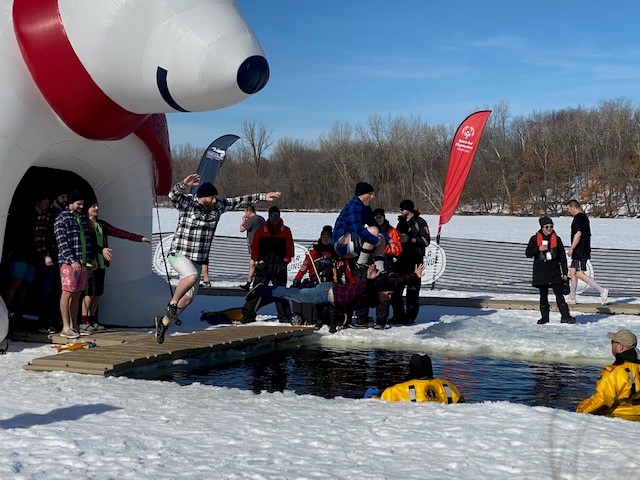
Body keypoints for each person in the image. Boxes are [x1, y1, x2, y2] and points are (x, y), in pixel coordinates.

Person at [155, 173, 281, 343]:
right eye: (211, 198)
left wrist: (263, 196)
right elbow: (173, 195)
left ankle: (162, 323)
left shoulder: (218, 207)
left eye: (216, 198)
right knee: (190, 276)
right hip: (179, 254)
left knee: (187, 300)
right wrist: (184, 184)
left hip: (197, 259)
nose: (214, 201)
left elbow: (239, 200)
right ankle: (171, 305)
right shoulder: (189, 205)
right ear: (202, 197)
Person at [245, 264, 425, 321]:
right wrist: (369, 279)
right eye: (389, 295)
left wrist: (414, 276)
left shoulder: (379, 292)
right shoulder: (369, 289)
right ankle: (263, 289)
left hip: (331, 297)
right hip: (326, 292)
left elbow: (398, 281)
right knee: (296, 295)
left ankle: (265, 296)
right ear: (381, 291)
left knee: (292, 294)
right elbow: (363, 288)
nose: (389, 299)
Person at [81, 198, 151, 333]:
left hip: (101, 264)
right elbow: (87, 243)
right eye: (93, 206)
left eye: (97, 206)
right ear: (87, 209)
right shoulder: (84, 224)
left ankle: (92, 320)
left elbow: (119, 232)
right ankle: (84, 322)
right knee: (89, 293)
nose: (96, 208)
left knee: (98, 294)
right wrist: (101, 249)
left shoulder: (101, 224)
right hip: (90, 263)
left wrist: (139, 238)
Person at [3, 190, 48, 331]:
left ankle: (19, 313)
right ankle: (8, 312)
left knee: (26, 286)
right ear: (39, 203)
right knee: (15, 284)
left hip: (32, 257)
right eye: (45, 202)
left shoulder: (43, 218)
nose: (47, 205)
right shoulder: (25, 216)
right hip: (20, 254)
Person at [240, 206, 294, 324]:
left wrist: (285, 261)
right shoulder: (262, 230)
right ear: (269, 216)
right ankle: (248, 314)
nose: (275, 219)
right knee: (257, 290)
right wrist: (258, 260)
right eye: (273, 216)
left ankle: (284, 316)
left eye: (277, 216)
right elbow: (255, 246)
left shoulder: (285, 230)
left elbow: (290, 248)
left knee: (280, 291)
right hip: (264, 264)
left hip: (279, 264)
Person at [54, 189, 96, 338]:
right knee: (67, 292)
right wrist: (72, 261)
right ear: (71, 203)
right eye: (78, 204)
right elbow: (62, 243)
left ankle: (74, 325)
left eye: (82, 204)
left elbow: (87, 241)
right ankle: (65, 326)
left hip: (83, 262)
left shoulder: (82, 219)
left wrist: (91, 258)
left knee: (77, 294)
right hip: (69, 263)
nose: (81, 207)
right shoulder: (62, 218)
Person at [577, 329, 640, 421]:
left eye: (613, 342)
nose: (611, 345)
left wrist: (580, 411)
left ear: (620, 347)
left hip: (619, 418)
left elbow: (602, 400)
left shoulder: (615, 372)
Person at [291, 225, 343, 330]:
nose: (325, 238)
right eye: (323, 236)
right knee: (317, 301)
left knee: (331, 301)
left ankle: (332, 323)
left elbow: (342, 267)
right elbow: (304, 267)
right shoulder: (313, 253)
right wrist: (297, 280)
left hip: (330, 282)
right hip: (317, 281)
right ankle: (319, 320)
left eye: (328, 236)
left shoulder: (335, 252)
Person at [525, 216, 574, 324]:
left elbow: (562, 257)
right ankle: (545, 317)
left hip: (554, 271)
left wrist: (565, 272)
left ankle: (565, 316)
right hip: (541, 271)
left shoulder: (557, 239)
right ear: (542, 227)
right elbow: (528, 253)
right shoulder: (534, 239)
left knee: (559, 294)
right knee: (543, 295)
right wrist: (538, 249)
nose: (549, 228)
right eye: (547, 226)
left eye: (551, 226)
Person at [364, 353, 465, 404]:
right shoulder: (447, 385)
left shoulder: (397, 390)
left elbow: (383, 404)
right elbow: (460, 400)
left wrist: (371, 397)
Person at [390, 199, 430, 324]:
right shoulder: (400, 222)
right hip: (401, 260)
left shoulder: (420, 222)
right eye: (400, 209)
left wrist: (410, 239)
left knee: (412, 291)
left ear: (409, 209)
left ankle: (410, 317)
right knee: (396, 289)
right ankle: (398, 315)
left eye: (402, 209)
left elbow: (426, 241)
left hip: (415, 260)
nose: (400, 211)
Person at [332, 182, 386, 271]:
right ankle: (361, 263)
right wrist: (375, 241)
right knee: (374, 231)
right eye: (370, 194)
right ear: (362, 195)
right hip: (341, 243)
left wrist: (390, 240)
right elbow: (358, 230)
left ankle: (380, 269)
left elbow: (376, 225)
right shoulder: (354, 206)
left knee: (381, 237)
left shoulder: (366, 208)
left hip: (353, 241)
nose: (372, 197)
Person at [565, 199, 609, 305]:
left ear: (573, 207)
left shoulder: (578, 218)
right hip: (581, 250)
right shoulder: (584, 217)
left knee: (579, 273)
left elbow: (578, 234)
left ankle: (602, 291)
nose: (568, 211)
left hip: (580, 250)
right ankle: (572, 298)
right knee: (572, 272)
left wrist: (572, 248)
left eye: (568, 209)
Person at [371, 208, 402, 329]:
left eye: (380, 217)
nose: (378, 220)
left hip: (387, 261)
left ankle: (381, 321)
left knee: (384, 291)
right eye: (376, 218)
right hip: (372, 261)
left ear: (384, 218)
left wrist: (383, 248)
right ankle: (362, 318)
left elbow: (398, 249)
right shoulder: (370, 230)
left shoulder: (392, 231)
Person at [238, 204, 265, 291]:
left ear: (249, 211)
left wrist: (243, 221)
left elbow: (241, 229)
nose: (245, 214)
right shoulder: (261, 218)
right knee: (252, 264)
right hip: (261, 244)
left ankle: (259, 282)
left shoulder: (251, 220)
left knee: (259, 263)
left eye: (245, 212)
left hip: (255, 246)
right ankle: (249, 283)